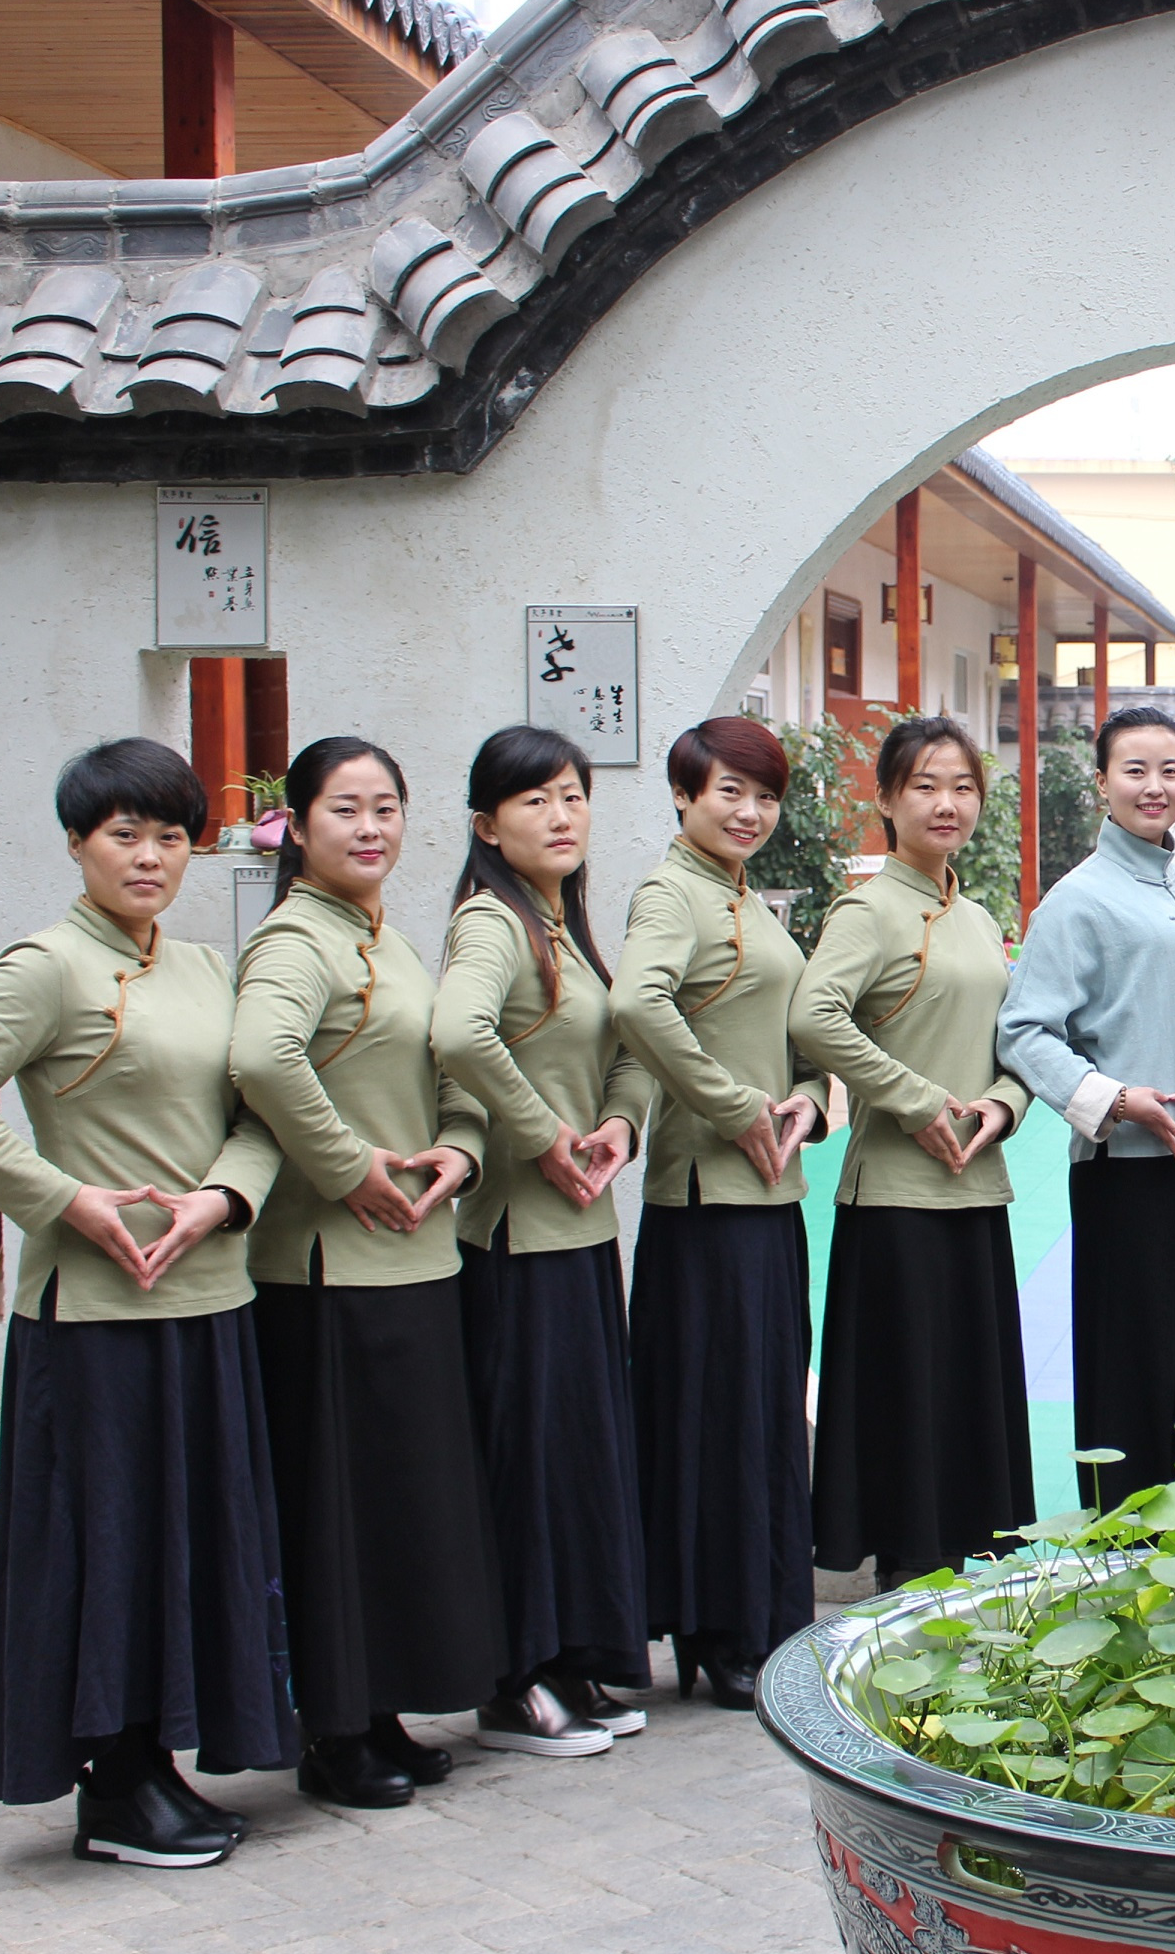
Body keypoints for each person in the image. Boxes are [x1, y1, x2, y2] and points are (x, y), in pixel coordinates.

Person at [0, 739, 292, 1866]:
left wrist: (223, 1198)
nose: (151, 855)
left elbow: (260, 1111)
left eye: (172, 834)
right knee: (112, 1547)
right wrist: (64, 1201)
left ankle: (165, 1760)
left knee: (193, 1543)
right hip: (97, 1319)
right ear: (78, 842)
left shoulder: (209, 968)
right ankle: (113, 1785)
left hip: (211, 1300)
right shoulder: (47, 964)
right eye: (125, 833)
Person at [230, 735, 502, 1808]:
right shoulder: (297, 940)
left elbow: (444, 1067)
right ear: (297, 827)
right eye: (345, 810)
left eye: (387, 807)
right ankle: (334, 1731)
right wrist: (345, 1169)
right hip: (329, 1274)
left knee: (396, 1506)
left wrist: (458, 1151)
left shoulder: (387, 940)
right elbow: (260, 1059)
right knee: (337, 1512)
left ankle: (378, 1710)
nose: (371, 827)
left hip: (412, 1259)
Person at [432, 725, 660, 1758]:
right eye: (534, 801)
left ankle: (567, 1657)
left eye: (572, 795)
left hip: (576, 1226)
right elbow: (457, 1034)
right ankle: (513, 1680)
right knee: (523, 1460)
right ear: (487, 825)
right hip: (516, 1238)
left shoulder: (562, 922)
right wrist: (542, 1136)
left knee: (573, 1456)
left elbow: (624, 1042)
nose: (561, 815)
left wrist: (618, 1124)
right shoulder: (491, 922)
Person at [610, 717, 829, 1713]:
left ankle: (761, 1618)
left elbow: (787, 1032)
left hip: (768, 1196)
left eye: (764, 794)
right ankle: (719, 1627)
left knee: (765, 1414)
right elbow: (637, 1006)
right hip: (707, 1207)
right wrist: (733, 1106)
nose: (748, 812)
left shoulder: (741, 895)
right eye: (728, 792)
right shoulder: (672, 891)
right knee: (717, 1422)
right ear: (684, 795)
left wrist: (805, 1101)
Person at [998, 706, 1175, 1504]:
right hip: (1122, 1168)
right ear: (1102, 781)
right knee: (1125, 1362)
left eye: (1169, 770)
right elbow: (1024, 1030)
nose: (1154, 786)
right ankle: (1126, 1543)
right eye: (1135, 770)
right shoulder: (1075, 901)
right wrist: (1115, 1100)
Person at [794, 717, 1033, 1581]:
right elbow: (812, 1016)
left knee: (964, 1382)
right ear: (887, 800)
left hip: (977, 1180)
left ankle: (966, 1550)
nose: (946, 803)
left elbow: (1012, 1040)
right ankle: (905, 1558)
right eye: (925, 786)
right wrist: (912, 1100)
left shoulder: (973, 914)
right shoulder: (867, 909)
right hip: (895, 1190)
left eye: (963, 786)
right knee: (906, 1388)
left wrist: (1003, 1107)